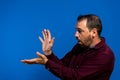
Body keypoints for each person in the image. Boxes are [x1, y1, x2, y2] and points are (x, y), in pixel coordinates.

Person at [21, 14, 115, 80]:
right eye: (76, 30)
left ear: (93, 32)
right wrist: (48, 53)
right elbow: (63, 66)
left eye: (80, 31)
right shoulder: (80, 46)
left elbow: (76, 77)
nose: (76, 35)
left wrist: (46, 62)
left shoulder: (105, 55)